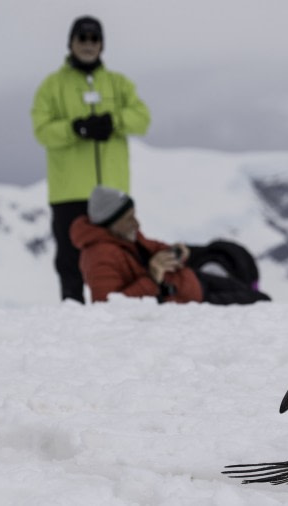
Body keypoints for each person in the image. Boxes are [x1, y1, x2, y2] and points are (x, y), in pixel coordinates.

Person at [31, 15, 151, 303]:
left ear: (102, 44)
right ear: (71, 43)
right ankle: (73, 310)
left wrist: (114, 121)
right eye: (82, 38)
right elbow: (42, 129)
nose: (88, 44)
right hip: (70, 190)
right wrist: (76, 128)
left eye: (94, 38)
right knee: (70, 257)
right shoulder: (52, 86)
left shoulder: (118, 84)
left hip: (112, 192)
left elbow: (142, 119)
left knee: (120, 253)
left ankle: (121, 310)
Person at [70, 186, 271, 305]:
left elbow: (154, 247)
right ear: (111, 222)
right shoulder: (99, 256)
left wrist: (175, 253)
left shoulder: (126, 236)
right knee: (260, 302)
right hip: (193, 300)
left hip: (192, 281)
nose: (137, 223)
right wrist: (152, 277)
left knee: (257, 294)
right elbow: (108, 307)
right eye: (129, 218)